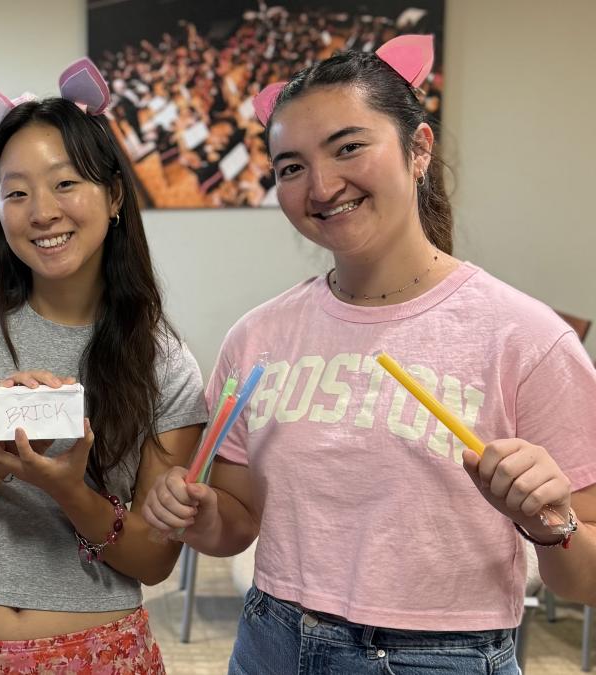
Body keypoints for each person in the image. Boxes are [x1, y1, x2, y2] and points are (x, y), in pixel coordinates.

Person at [142, 35, 596, 674]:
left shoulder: (526, 337)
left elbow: (585, 579)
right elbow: (236, 527)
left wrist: (551, 526)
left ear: (419, 150)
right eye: (291, 166)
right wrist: (198, 512)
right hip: (272, 637)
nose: (322, 185)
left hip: (441, 655)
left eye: (349, 146)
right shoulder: (257, 338)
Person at [0, 59, 208, 673]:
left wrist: (66, 486)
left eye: (66, 184)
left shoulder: (160, 358)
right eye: (16, 191)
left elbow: (154, 560)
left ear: (113, 195)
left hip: (104, 653)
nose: (41, 212)